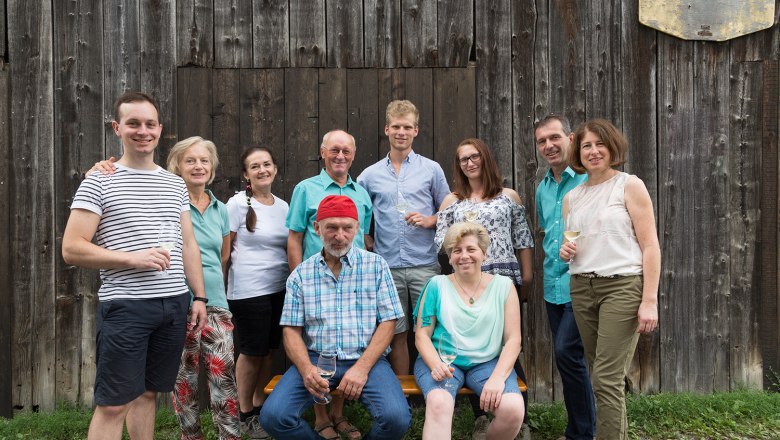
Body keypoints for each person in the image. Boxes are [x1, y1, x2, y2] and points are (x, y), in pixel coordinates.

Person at [62, 92, 207, 440]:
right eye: (133, 123)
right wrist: (132, 258)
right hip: (126, 307)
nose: (143, 131)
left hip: (173, 304)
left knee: (148, 394)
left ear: (160, 129)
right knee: (114, 405)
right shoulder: (99, 180)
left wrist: (199, 296)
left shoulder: (175, 183)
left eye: (150, 124)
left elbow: (188, 243)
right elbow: (72, 248)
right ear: (117, 128)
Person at [260, 195, 411, 440]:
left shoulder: (376, 266)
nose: (339, 236)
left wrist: (362, 368)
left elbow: (388, 322)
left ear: (357, 228)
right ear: (317, 228)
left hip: (367, 358)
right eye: (331, 227)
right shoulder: (301, 274)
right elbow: (290, 331)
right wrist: (306, 369)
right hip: (316, 359)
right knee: (273, 417)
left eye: (347, 228)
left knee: (396, 419)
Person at [559, 119, 660, 440]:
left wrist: (649, 301)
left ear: (612, 147)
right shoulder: (572, 197)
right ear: (578, 152)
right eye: (586, 146)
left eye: (600, 144)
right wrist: (566, 250)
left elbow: (650, 246)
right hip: (582, 288)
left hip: (622, 286)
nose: (593, 151)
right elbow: (575, 244)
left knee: (605, 379)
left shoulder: (629, 185)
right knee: (605, 376)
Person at [435, 137, 533, 437]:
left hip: (503, 280)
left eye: (474, 156)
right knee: (474, 345)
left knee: (508, 346)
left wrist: (526, 277)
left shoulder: (509, 196)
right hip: (466, 284)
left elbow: (522, 238)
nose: (469, 163)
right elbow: (442, 244)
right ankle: (482, 416)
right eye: (463, 159)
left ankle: (520, 417)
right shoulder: (452, 201)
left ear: (485, 158)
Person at [285, 129, 373, 439]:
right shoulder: (306, 189)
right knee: (318, 348)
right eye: (334, 150)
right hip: (316, 283)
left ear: (353, 155)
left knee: (344, 345)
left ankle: (338, 413)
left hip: (353, 283)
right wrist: (298, 279)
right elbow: (294, 238)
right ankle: (321, 417)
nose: (340, 156)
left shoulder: (361, 193)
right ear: (323, 153)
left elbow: (365, 238)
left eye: (346, 151)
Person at [357, 100, 450, 375]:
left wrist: (430, 220)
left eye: (407, 127)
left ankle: (435, 387)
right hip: (387, 267)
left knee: (431, 331)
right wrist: (365, 236)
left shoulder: (431, 169)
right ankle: (402, 394)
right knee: (396, 334)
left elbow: (449, 209)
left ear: (416, 130)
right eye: (396, 126)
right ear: (387, 129)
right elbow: (359, 210)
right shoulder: (369, 176)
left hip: (425, 265)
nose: (401, 132)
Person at [414, 222, 524, 439]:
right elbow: (421, 335)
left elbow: (513, 339)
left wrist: (497, 378)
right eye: (457, 251)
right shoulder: (436, 285)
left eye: (471, 249)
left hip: (487, 362)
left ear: (484, 253)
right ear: (450, 257)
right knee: (438, 403)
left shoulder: (504, 286)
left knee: (512, 409)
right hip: (442, 360)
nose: (464, 256)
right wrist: (435, 364)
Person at [534, 115, 596, 439]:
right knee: (567, 359)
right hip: (552, 286)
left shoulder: (589, 180)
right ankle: (579, 429)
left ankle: (583, 433)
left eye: (554, 137)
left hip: (581, 284)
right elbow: (548, 233)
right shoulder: (542, 189)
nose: (549, 145)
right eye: (542, 141)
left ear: (570, 138)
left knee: (567, 353)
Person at [225, 147, 289, 439]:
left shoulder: (283, 206)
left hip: (280, 288)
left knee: (270, 350)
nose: (262, 170)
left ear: (275, 168)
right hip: (248, 291)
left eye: (267, 164)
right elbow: (225, 251)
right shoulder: (237, 204)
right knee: (252, 352)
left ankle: (259, 405)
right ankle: (243, 413)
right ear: (246, 174)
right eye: (255, 166)